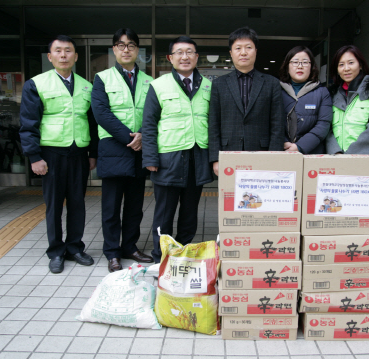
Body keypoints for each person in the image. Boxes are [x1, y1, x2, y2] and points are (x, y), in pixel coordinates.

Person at [19, 35, 98, 274]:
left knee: (77, 203)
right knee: (53, 206)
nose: (63, 55)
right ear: (50, 57)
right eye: (58, 51)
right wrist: (34, 157)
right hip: (50, 154)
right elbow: (28, 123)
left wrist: (92, 153)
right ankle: (56, 251)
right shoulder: (36, 84)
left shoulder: (87, 86)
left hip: (78, 154)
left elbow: (92, 123)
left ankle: (74, 247)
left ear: (76, 56)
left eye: (68, 51)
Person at [142, 36, 213, 263]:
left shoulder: (209, 86)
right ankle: (160, 257)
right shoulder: (158, 85)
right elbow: (149, 124)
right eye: (179, 52)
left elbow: (215, 124)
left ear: (196, 57)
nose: (185, 57)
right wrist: (150, 157)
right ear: (170, 58)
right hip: (168, 159)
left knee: (190, 212)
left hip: (198, 157)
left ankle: (184, 255)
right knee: (164, 212)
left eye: (190, 52)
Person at [91, 28, 154, 272]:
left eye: (130, 45)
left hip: (140, 149)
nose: (125, 49)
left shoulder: (150, 81)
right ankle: (112, 252)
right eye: (120, 45)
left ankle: (130, 246)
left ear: (138, 50)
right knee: (111, 206)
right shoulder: (102, 78)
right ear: (114, 49)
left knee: (135, 206)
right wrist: (130, 137)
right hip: (114, 148)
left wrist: (142, 136)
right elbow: (101, 113)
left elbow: (153, 114)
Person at [326, 45, 369, 213]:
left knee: (365, 215)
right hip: (338, 162)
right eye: (341, 65)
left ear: (360, 64)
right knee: (339, 212)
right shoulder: (333, 94)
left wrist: (351, 157)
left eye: (351, 62)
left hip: (367, 161)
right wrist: (336, 152)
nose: (346, 68)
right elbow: (327, 128)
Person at [208, 26, 285, 175]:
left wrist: (275, 156)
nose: (243, 52)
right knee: (229, 196)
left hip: (262, 153)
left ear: (256, 51)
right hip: (228, 153)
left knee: (259, 197)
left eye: (248, 47)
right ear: (231, 53)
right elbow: (214, 124)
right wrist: (215, 158)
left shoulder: (271, 83)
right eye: (238, 48)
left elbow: (277, 123)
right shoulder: (219, 84)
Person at [279, 46, 332, 154]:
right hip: (282, 152)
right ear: (287, 66)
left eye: (305, 62)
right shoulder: (277, 90)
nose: (300, 66)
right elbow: (270, 122)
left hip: (312, 154)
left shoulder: (322, 92)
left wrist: (299, 146)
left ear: (312, 66)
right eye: (295, 62)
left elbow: (323, 125)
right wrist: (282, 142)